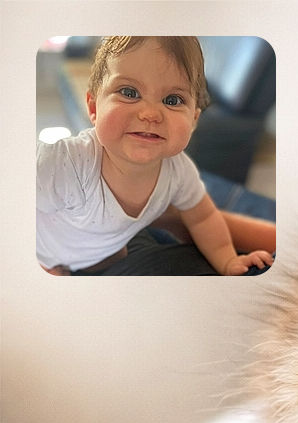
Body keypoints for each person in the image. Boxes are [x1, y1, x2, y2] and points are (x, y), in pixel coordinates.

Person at [37, 36, 275, 276]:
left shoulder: (178, 171)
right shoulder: (66, 164)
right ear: (94, 108)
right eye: (129, 92)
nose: (151, 114)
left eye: (173, 100)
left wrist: (229, 261)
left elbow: (203, 218)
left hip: (104, 253)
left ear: (194, 119)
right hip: (46, 255)